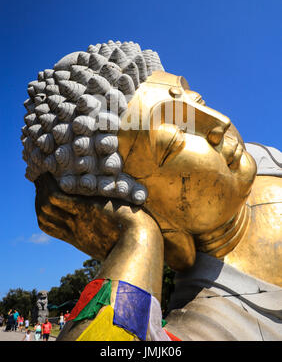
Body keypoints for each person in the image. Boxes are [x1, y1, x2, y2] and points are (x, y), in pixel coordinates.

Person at [22, 40, 282, 341]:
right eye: (174, 140)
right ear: (142, 205)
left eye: (195, 101)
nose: (219, 124)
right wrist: (137, 236)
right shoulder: (215, 325)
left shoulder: (265, 159)